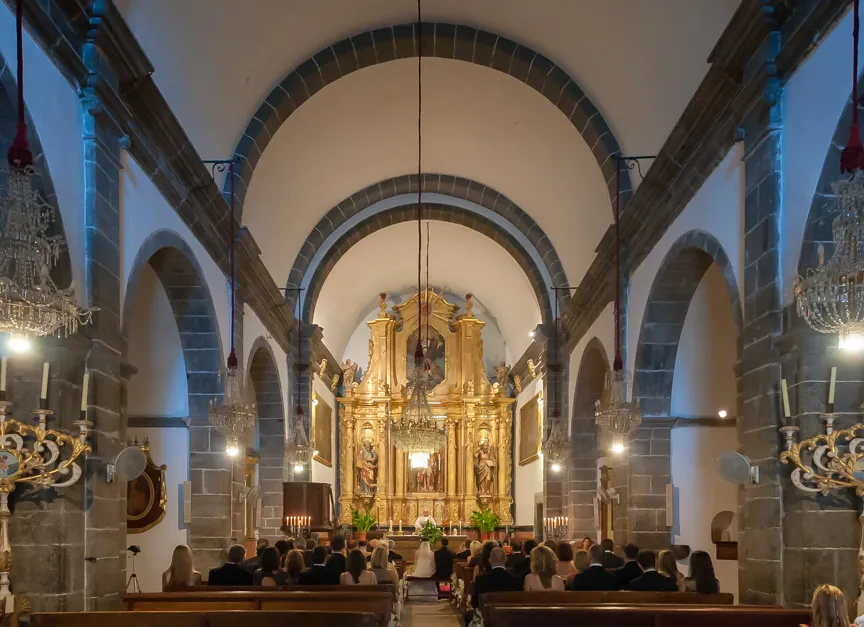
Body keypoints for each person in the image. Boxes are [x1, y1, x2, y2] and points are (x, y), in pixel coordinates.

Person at [468, 547, 521, 626]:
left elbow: (474, 603)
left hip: (487, 620)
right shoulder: (516, 579)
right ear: (505, 559)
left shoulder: (481, 580)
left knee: (468, 616)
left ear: (489, 560)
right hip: (510, 620)